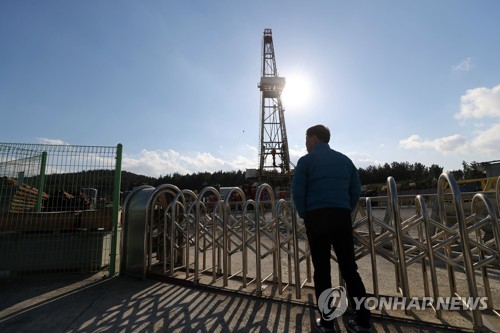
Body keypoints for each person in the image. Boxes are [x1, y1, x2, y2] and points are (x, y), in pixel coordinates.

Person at [292, 125, 371, 333]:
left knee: (322, 271)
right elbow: (356, 190)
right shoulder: (345, 160)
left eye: (306, 138)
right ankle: (363, 321)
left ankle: (327, 322)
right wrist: (344, 208)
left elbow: (297, 193)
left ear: (315, 138)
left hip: (317, 218)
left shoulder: (305, 162)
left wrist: (305, 214)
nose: (305, 143)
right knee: (349, 269)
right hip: (341, 216)